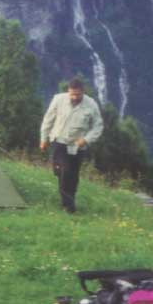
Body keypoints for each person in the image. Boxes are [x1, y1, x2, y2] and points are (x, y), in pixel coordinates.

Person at [40, 78, 104, 213]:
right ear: (68, 91)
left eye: (78, 94)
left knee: (71, 174)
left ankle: (68, 204)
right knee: (62, 172)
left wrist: (86, 140)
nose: (74, 97)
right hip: (59, 142)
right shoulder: (58, 99)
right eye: (72, 94)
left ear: (83, 92)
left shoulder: (91, 104)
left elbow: (98, 126)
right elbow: (48, 119)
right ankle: (69, 205)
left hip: (77, 146)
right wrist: (43, 138)